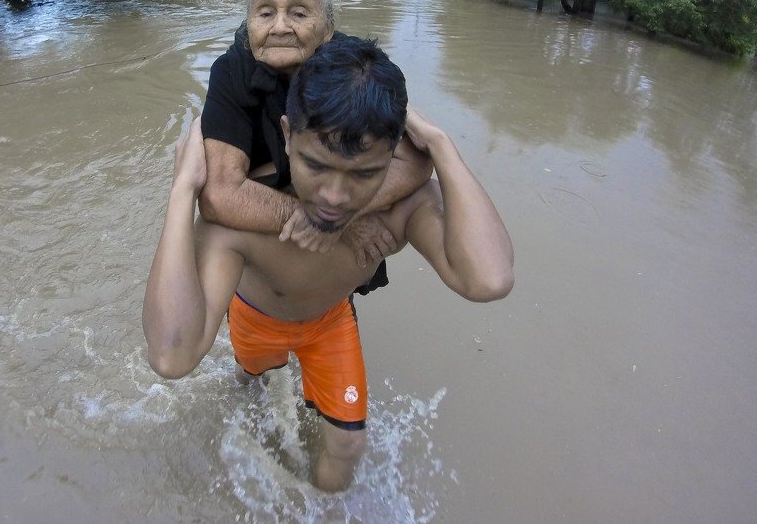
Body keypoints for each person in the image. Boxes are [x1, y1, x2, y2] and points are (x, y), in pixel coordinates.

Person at [143, 37, 514, 491]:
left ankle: (316, 509)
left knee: (347, 448)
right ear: (286, 136)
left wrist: (440, 144)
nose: (334, 198)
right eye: (315, 165)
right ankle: (248, 379)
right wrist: (183, 190)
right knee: (248, 382)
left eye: (364, 173)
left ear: (393, 155)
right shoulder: (244, 220)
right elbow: (171, 356)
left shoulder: (399, 206)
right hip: (255, 319)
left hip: (329, 322)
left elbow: (489, 279)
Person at [199, 0, 433, 290]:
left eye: (298, 13)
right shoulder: (231, 71)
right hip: (270, 234)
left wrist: (340, 215)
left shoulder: (360, 68)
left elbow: (414, 161)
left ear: (328, 27)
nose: (280, 27)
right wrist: (321, 219)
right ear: (249, 22)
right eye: (265, 13)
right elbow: (220, 194)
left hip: (325, 207)